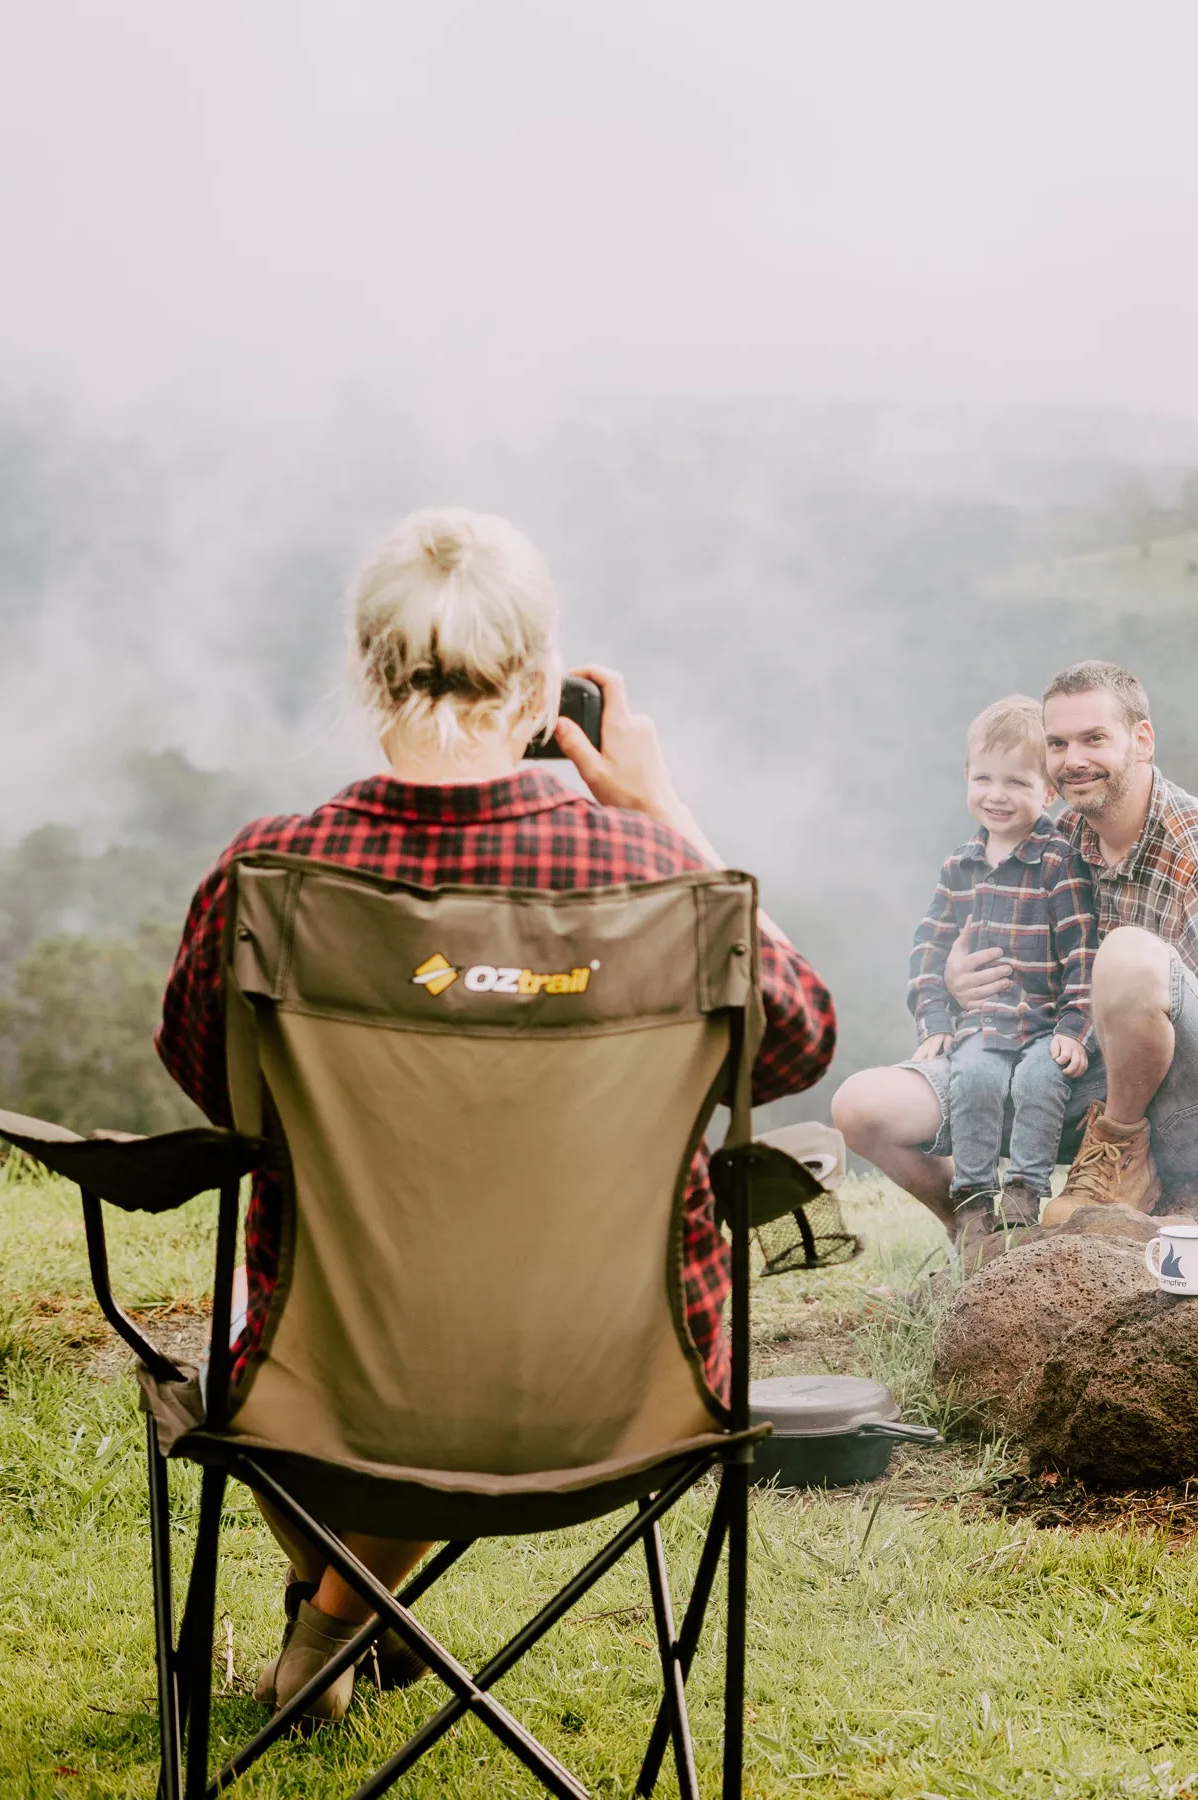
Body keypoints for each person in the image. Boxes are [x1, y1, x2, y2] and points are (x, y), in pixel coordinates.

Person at [155, 506, 836, 1723]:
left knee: (298, 1353)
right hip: (633, 1403)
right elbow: (801, 1038)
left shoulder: (271, 878)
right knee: (463, 1311)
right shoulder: (663, 885)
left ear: (369, 671)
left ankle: (332, 1615)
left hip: (327, 1396)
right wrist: (670, 817)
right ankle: (332, 1631)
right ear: (541, 690)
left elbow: (220, 1087)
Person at [833, 659, 1198, 1299]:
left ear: (1142, 741)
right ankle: (985, 1241)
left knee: (1123, 954)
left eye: (1094, 739)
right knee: (862, 1109)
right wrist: (956, 981)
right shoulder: (1054, 837)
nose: (1072, 760)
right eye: (1058, 743)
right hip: (1075, 1073)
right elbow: (974, 937)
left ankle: (1121, 1154)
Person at [906, 695, 1094, 1238]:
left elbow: (1083, 952)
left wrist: (1076, 1028)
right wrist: (935, 1021)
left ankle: (1026, 1189)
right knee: (975, 1078)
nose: (997, 795)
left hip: (1045, 1022)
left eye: (1016, 782)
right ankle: (973, 1192)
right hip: (983, 1023)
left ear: (1048, 791)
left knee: (1039, 1078)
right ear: (967, 777)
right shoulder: (959, 866)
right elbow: (930, 951)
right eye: (984, 778)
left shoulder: (1059, 861)